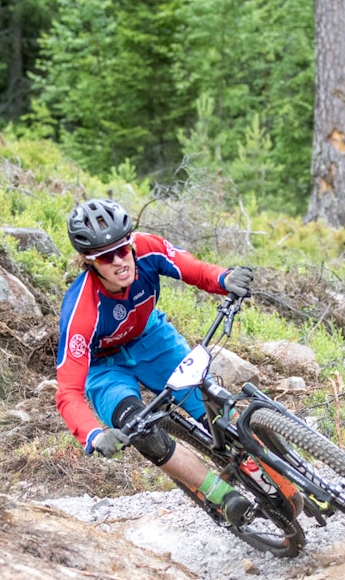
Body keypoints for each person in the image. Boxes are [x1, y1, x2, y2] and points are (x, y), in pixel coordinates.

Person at [55, 198, 256, 528]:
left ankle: (278, 470)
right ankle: (220, 496)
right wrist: (92, 435)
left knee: (213, 402)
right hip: (105, 369)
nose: (120, 261)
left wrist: (224, 278)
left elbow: (194, 269)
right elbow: (68, 393)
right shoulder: (81, 312)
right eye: (106, 257)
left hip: (152, 338)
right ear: (89, 263)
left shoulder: (147, 250)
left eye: (124, 248)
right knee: (140, 429)